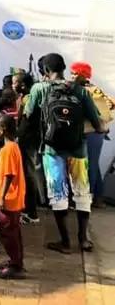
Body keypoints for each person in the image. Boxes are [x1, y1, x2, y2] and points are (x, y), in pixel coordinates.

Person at [24, 53, 103, 253]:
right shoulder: (81, 91)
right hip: (78, 150)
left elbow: (28, 117)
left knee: (57, 194)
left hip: (52, 150)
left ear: (46, 71)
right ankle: (83, 239)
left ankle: (65, 242)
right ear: (63, 68)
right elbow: (98, 124)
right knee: (82, 191)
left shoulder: (39, 89)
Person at [70, 62, 113, 209]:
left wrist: (101, 124)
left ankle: (88, 199)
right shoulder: (93, 89)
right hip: (95, 133)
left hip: (91, 132)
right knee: (93, 165)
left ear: (84, 75)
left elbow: (109, 106)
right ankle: (98, 198)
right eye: (72, 72)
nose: (72, 75)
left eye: (76, 73)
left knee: (90, 166)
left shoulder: (90, 91)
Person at [0, 114, 27, 279]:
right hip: (14, 198)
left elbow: (9, 174)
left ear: (3, 129)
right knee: (14, 232)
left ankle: (15, 265)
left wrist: (1, 198)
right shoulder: (13, 147)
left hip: (9, 200)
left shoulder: (8, 149)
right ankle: (16, 261)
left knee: (8, 234)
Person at [13, 70, 44, 224]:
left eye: (15, 83)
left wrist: (18, 136)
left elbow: (26, 122)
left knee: (28, 174)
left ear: (23, 85)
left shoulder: (29, 100)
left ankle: (31, 213)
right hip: (30, 140)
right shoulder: (28, 97)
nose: (13, 86)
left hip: (28, 141)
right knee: (27, 173)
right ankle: (28, 209)